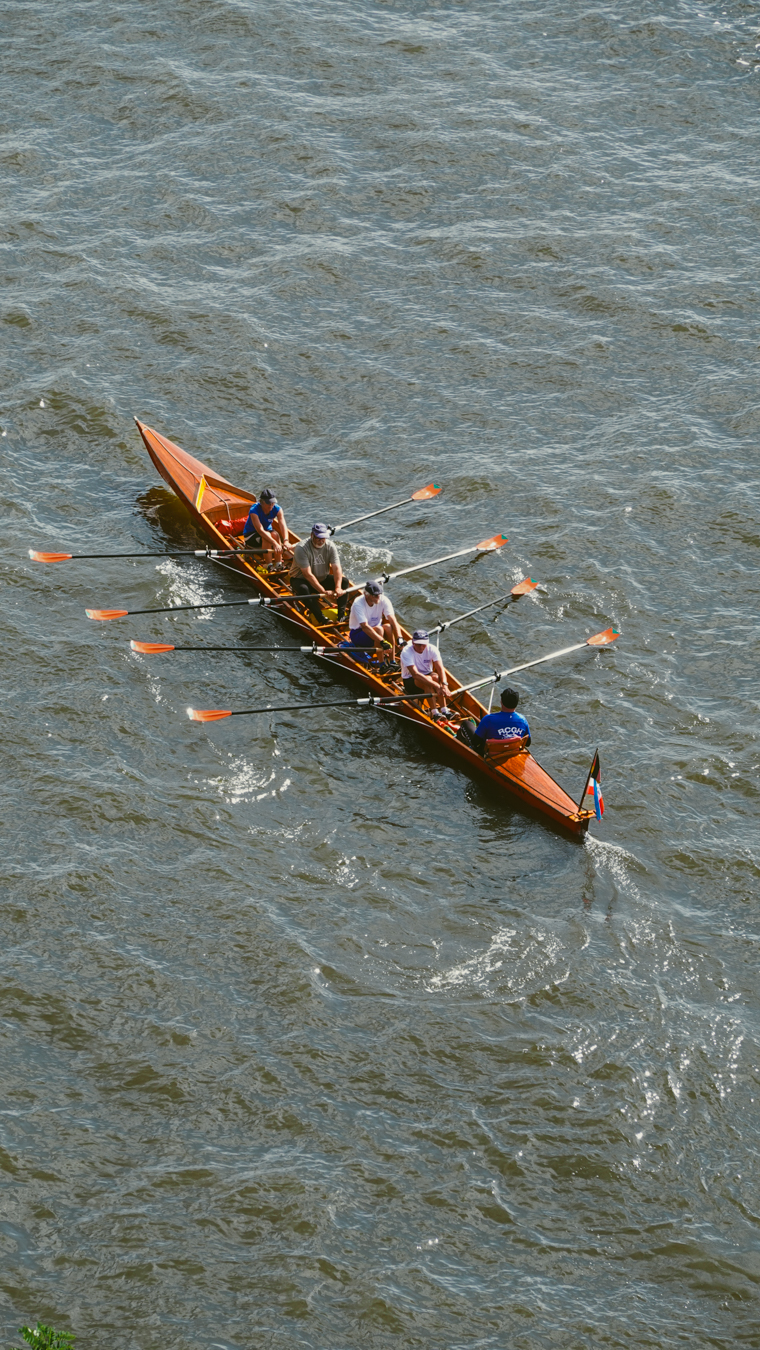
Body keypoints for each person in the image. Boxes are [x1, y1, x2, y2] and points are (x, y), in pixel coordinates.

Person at [289, 522, 350, 624]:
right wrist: (323, 592)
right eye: (318, 538)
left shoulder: (330, 546)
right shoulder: (301, 548)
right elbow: (307, 574)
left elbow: (337, 569)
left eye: (323, 538)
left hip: (321, 578)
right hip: (301, 580)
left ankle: (341, 616)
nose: (321, 541)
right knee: (304, 589)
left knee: (344, 582)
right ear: (312, 535)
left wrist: (338, 588)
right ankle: (322, 619)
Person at [457, 686, 531, 755]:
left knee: (466, 724)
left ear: (501, 702)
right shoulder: (523, 720)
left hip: (489, 754)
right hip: (512, 752)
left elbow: (475, 742)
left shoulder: (488, 719)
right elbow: (528, 743)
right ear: (516, 704)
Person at [399, 629, 452, 719]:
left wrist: (444, 685)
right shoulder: (406, 652)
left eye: (423, 644)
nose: (421, 647)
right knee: (428, 680)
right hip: (410, 680)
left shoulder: (432, 649)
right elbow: (415, 674)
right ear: (413, 642)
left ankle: (445, 710)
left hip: (427, 677)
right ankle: (435, 713)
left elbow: (440, 669)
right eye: (418, 644)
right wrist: (436, 686)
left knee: (436, 677)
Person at [348, 580, 402, 660]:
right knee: (379, 629)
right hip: (358, 634)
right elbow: (364, 627)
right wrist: (382, 641)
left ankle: (392, 661)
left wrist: (399, 637)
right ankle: (382, 664)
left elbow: (393, 619)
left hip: (377, 632)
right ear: (366, 595)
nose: (378, 597)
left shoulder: (383, 599)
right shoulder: (358, 603)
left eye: (379, 594)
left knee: (388, 627)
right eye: (375, 595)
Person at [243, 490, 291, 565]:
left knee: (275, 534)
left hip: (266, 534)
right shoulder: (254, 510)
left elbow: (283, 525)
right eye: (269, 503)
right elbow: (260, 530)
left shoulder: (277, 509)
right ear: (262, 502)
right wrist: (274, 543)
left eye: (273, 502)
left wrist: (286, 540)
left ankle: (278, 564)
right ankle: (269, 565)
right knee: (267, 536)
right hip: (250, 536)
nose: (271, 505)